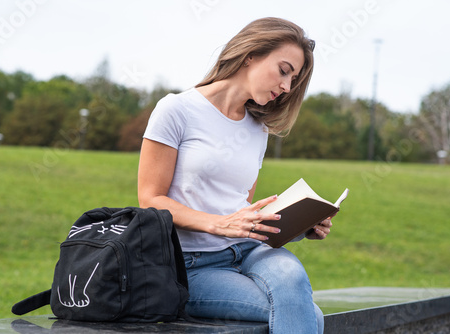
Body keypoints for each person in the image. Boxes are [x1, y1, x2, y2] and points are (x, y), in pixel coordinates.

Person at [138, 17, 332, 334]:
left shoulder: (258, 129)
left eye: (293, 79)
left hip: (249, 251)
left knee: (291, 276)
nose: (287, 86)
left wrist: (302, 225)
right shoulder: (176, 110)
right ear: (250, 54)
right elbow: (150, 199)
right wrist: (218, 224)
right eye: (284, 70)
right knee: (307, 314)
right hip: (191, 266)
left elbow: (243, 209)